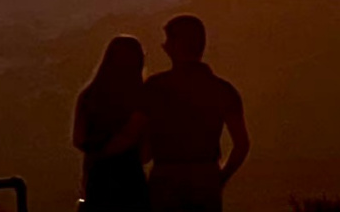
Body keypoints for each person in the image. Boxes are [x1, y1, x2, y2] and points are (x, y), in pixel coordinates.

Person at [140, 15, 250, 212]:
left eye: (168, 41)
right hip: (205, 178)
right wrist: (220, 177)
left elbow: (143, 142)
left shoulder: (155, 87)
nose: (163, 46)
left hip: (165, 177)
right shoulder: (223, 90)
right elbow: (241, 144)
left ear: (176, 46)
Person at [73, 35, 152, 212]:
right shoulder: (141, 100)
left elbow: (78, 139)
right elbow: (146, 154)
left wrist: (98, 151)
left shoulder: (88, 96)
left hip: (96, 181)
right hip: (130, 183)